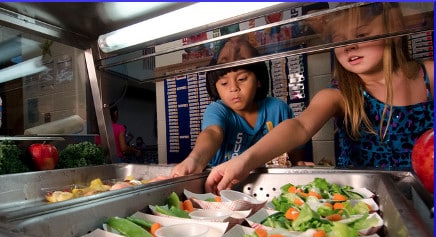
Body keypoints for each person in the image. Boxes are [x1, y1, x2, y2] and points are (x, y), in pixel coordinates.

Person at [205, 3, 434, 194]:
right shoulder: (341, 94)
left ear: (393, 27)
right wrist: (245, 161)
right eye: (339, 40)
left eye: (362, 35)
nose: (349, 46)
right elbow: (300, 126)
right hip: (370, 199)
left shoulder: (429, 75)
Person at [169, 37, 303, 177]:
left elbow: (295, 150)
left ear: (258, 80)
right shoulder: (217, 110)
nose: (234, 88)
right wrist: (195, 159)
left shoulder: (278, 109)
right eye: (224, 83)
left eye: (242, 79)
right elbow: (212, 133)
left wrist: (299, 165)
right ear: (215, 86)